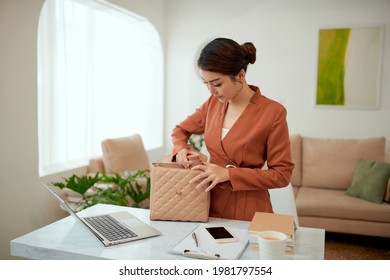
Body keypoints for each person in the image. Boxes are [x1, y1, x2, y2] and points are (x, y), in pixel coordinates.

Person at [170, 38, 294, 221]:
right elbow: (180, 131)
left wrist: (229, 173)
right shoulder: (213, 104)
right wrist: (182, 150)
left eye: (217, 84)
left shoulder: (273, 112)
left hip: (249, 211)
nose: (211, 91)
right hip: (206, 204)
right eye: (206, 83)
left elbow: (282, 175)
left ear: (240, 75)